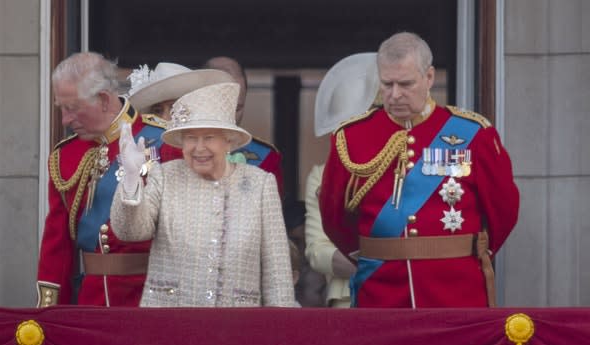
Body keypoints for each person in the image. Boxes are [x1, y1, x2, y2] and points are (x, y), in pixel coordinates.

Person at [319, 32, 520, 308]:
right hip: (380, 292)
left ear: (429, 77)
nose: (395, 94)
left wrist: (464, 252)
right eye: (387, 84)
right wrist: (376, 255)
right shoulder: (352, 137)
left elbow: (503, 211)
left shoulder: (473, 134)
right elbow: (334, 217)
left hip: (456, 291)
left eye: (406, 83)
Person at [36, 52, 211, 307]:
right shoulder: (64, 156)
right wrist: (48, 313)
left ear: (104, 100)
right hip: (90, 302)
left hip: (153, 300)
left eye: (72, 108)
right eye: (61, 108)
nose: (65, 120)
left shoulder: (165, 143)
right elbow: (57, 248)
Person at [110, 82, 296, 307]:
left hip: (238, 325)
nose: (198, 148)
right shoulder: (165, 176)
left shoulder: (260, 184)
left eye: (208, 137)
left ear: (228, 141)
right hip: (171, 322)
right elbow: (131, 231)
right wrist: (131, 177)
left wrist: (278, 329)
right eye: (190, 138)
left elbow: (277, 273)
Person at [305, 52, 380, 308]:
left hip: (410, 295)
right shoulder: (322, 174)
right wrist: (371, 268)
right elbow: (317, 250)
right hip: (347, 297)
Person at [204, 56, 284, 198]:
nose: (229, 117)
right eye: (222, 107)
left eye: (238, 108)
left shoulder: (265, 157)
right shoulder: (174, 150)